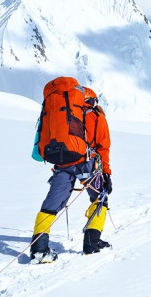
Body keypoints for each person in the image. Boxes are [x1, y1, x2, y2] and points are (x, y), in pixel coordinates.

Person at [30, 86, 113, 263]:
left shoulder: (62, 115)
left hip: (63, 164)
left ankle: (39, 249)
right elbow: (103, 147)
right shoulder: (95, 116)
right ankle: (92, 243)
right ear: (92, 100)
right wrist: (106, 173)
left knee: (50, 205)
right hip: (88, 164)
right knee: (100, 198)